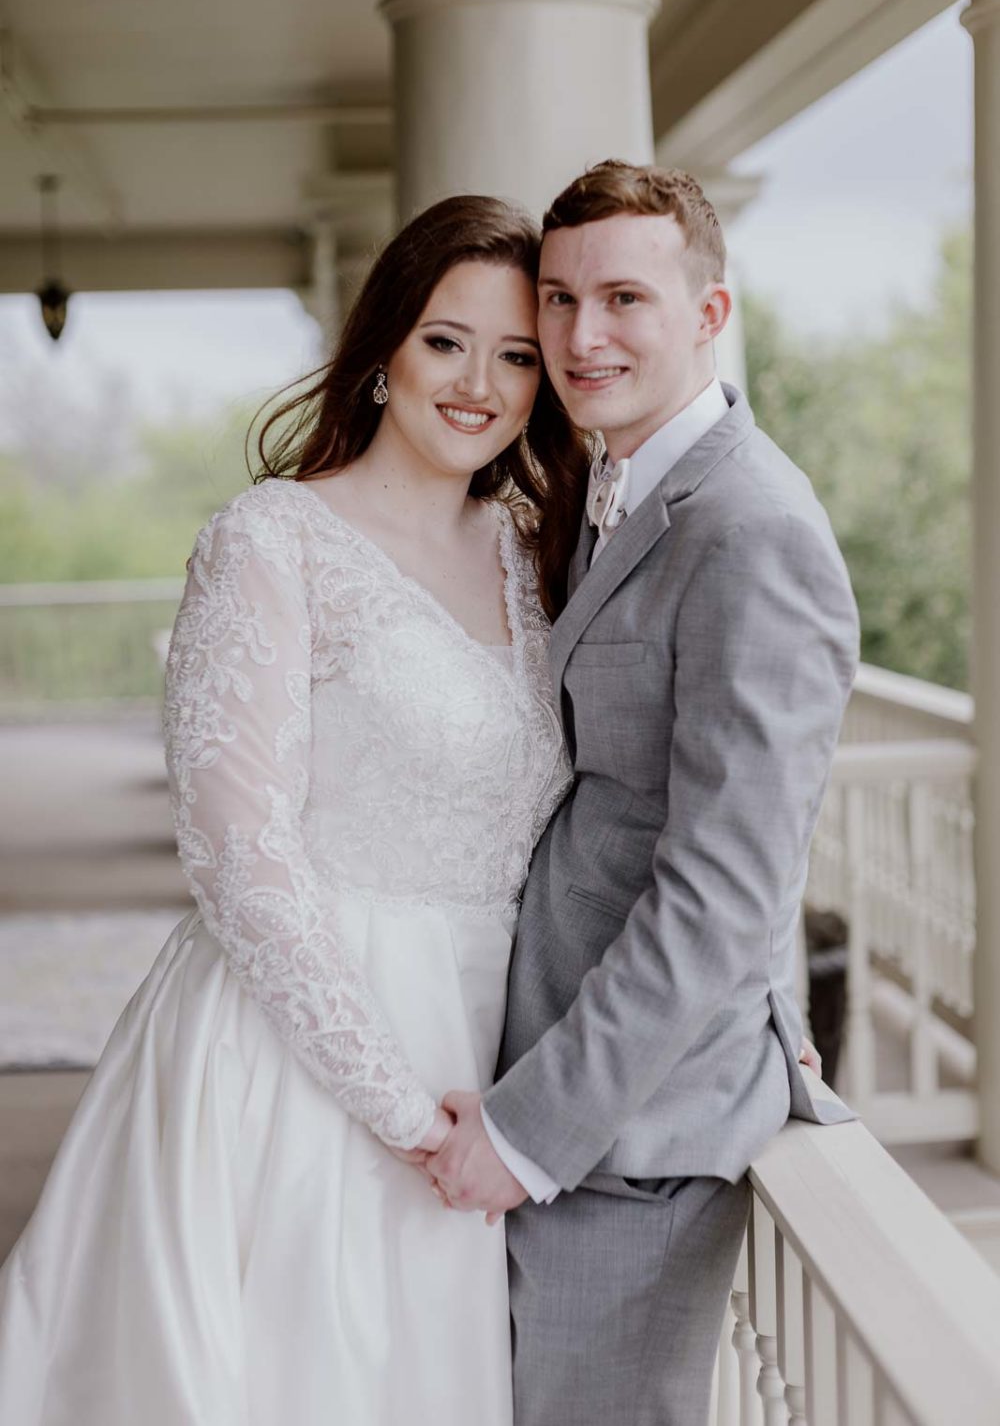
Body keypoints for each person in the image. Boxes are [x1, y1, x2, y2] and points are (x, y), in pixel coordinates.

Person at [0, 194, 588, 1425]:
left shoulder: (528, 550)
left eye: (516, 353)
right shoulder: (270, 541)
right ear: (381, 351)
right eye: (445, 340)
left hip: (492, 1049)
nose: (478, 381)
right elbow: (237, 853)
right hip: (306, 1050)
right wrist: (399, 1109)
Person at [424, 161, 860, 1426]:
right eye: (557, 300)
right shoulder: (611, 486)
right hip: (554, 1071)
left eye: (623, 298)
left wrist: (527, 1132)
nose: (579, 336)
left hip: (628, 1138)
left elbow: (725, 882)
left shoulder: (752, 525)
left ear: (709, 314)